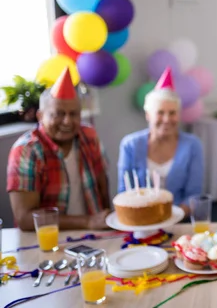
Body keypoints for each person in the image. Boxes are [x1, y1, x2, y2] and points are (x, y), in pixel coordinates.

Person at [7, 68, 111, 231]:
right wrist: (87, 221)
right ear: (40, 116)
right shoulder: (27, 150)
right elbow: (25, 219)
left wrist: (108, 219)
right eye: (58, 114)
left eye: (74, 114)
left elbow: (102, 183)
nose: (67, 121)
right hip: (50, 240)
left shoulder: (89, 136)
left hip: (95, 234)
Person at [118, 67, 204, 216]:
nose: (166, 119)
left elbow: (193, 195)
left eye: (172, 113)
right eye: (160, 112)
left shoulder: (193, 145)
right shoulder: (130, 145)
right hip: (139, 220)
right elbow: (124, 193)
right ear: (148, 115)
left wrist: (170, 215)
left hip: (178, 220)